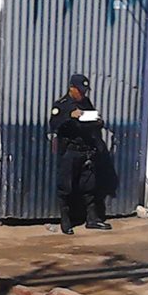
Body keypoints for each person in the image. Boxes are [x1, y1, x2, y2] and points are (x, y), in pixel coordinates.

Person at [48, 73, 111, 234]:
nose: (83, 94)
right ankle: (66, 221)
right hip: (70, 152)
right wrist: (69, 116)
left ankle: (92, 219)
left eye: (85, 91)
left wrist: (98, 121)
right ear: (71, 89)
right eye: (80, 90)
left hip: (87, 151)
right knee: (66, 187)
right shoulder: (61, 105)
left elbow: (93, 123)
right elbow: (54, 125)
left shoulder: (86, 103)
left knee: (89, 186)